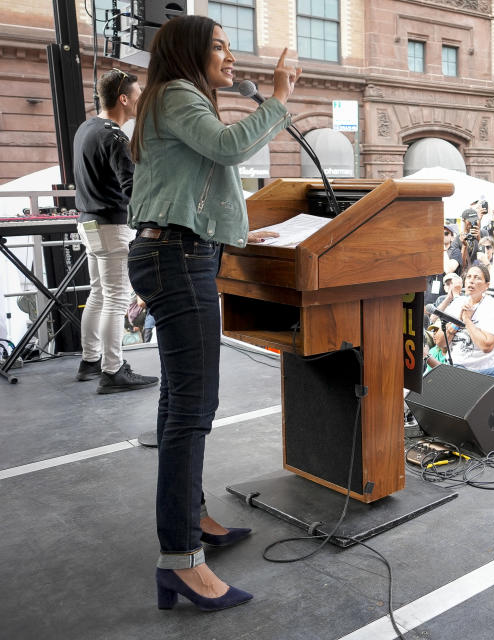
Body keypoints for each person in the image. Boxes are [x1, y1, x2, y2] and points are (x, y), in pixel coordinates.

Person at [126, 16, 300, 611]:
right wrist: (277, 99)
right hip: (177, 257)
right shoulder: (176, 94)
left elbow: (203, 177)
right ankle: (180, 559)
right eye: (221, 46)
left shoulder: (171, 101)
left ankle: (192, 519)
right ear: (191, 53)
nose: (231, 55)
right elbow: (229, 147)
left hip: (175, 253)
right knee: (192, 410)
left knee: (180, 400)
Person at [72, 68, 159, 393]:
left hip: (88, 223)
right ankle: (113, 370)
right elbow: (132, 187)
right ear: (124, 98)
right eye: (137, 95)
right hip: (112, 226)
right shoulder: (115, 136)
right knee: (116, 298)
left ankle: (90, 361)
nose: (140, 101)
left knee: (98, 294)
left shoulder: (87, 129)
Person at [443, 265, 494, 378]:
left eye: (477, 278)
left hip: (485, 374)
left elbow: (487, 346)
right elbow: (440, 342)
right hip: (454, 369)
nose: (471, 281)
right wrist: (456, 323)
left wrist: (467, 320)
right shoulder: (457, 303)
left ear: (487, 285)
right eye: (468, 277)